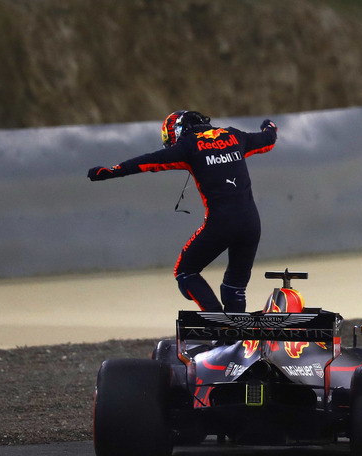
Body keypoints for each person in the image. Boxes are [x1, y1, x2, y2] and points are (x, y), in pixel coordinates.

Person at [87, 111, 277, 313]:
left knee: (185, 271)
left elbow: (148, 162)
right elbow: (268, 140)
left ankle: (219, 327)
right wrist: (270, 126)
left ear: (177, 132)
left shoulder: (188, 146)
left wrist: (111, 171)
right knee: (235, 286)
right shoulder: (234, 135)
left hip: (221, 223)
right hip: (251, 224)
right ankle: (238, 338)